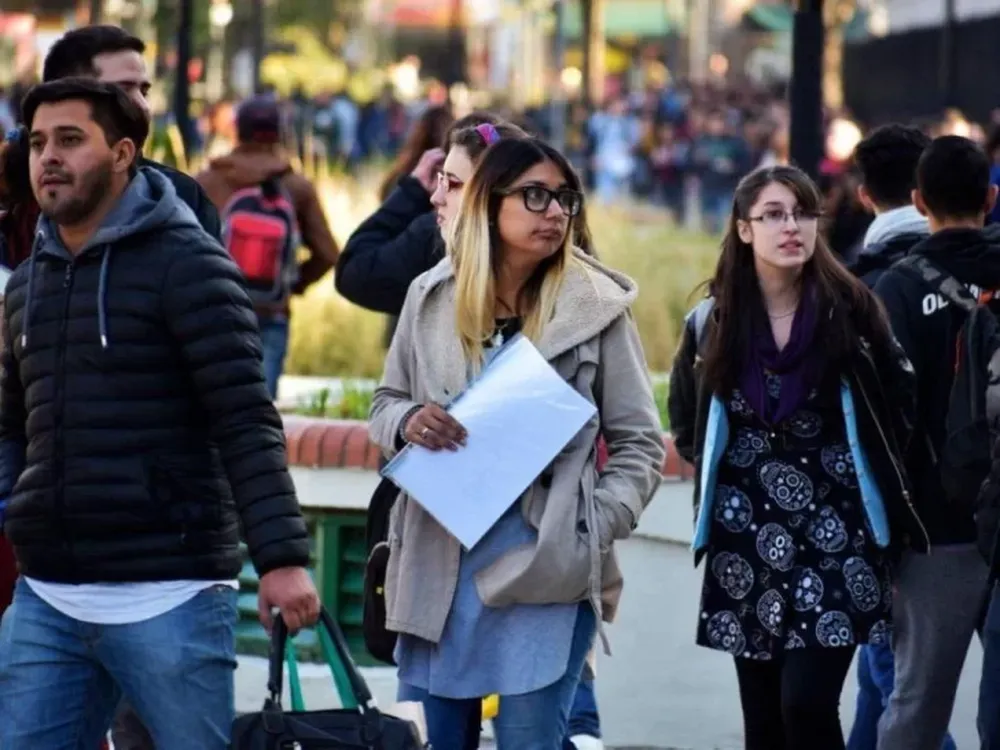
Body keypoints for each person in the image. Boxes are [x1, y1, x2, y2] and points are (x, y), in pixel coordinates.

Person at [0, 78, 320, 748]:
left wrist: (283, 558)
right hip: (48, 596)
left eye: (68, 139)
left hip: (168, 595)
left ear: (121, 154)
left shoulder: (191, 265)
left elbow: (243, 419)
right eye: (36, 143)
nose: (47, 158)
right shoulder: (28, 283)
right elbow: (10, 423)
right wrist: (16, 503)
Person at [367, 136, 665, 750]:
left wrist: (590, 525)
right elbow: (384, 405)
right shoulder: (430, 296)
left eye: (565, 199)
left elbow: (639, 443)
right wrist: (406, 422)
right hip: (437, 567)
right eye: (535, 196)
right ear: (488, 204)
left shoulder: (597, 308)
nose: (555, 212)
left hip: (545, 569)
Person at [668, 164, 922, 750]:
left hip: (838, 533)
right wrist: (724, 479)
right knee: (763, 723)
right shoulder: (713, 322)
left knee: (805, 705)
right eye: (775, 215)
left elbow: (899, 407)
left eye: (804, 213)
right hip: (745, 535)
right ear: (744, 229)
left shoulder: (853, 311)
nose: (792, 227)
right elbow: (687, 419)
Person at [873, 136, 998, 750]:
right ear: (992, 198)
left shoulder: (893, 290)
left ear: (919, 201)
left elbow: (884, 417)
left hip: (934, 529)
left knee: (916, 704)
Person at [844, 123, 954, 750]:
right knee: (879, 681)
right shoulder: (979, 273)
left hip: (898, 516)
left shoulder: (860, 284)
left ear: (865, 196)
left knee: (900, 689)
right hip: (973, 509)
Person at [196, 95, 340, 399]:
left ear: (236, 130)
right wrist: (293, 284)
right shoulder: (297, 187)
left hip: (213, 309)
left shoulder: (207, 181)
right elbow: (328, 253)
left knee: (204, 408)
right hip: (271, 312)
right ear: (279, 133)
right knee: (258, 415)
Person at [43, 24, 220, 240]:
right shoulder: (19, 200)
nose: (143, 105)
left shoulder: (182, 196)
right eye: (122, 90)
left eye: (143, 91)